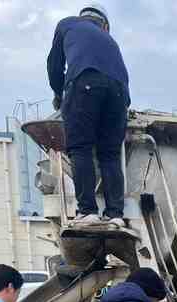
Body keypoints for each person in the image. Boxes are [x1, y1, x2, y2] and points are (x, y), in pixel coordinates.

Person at [47, 4, 130, 228]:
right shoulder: (110, 41)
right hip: (120, 94)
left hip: (85, 82)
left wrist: (59, 94)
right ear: (104, 25)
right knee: (110, 154)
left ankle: (88, 212)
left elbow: (55, 66)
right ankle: (115, 215)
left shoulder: (67, 24)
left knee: (80, 147)